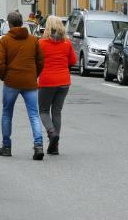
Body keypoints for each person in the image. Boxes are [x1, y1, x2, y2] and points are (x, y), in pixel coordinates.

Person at [0, 11, 45, 160]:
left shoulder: (4, 41)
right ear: (22, 23)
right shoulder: (33, 40)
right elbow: (40, 61)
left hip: (11, 82)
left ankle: (6, 146)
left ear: (9, 24)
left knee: (7, 113)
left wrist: (4, 76)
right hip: (29, 82)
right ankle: (38, 145)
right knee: (34, 115)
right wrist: (34, 75)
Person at [37, 15, 76, 155]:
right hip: (64, 82)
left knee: (43, 111)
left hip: (47, 81)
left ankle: (52, 133)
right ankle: (55, 146)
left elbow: (36, 61)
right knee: (57, 112)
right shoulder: (67, 43)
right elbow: (73, 61)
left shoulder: (41, 43)